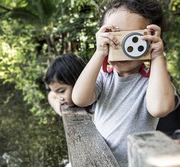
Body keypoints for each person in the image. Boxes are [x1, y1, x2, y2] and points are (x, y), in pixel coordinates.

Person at [71, 0, 180, 166]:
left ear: (150, 40)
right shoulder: (104, 76)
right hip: (100, 161)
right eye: (115, 36)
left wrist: (157, 56)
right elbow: (80, 98)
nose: (124, 45)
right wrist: (100, 52)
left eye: (133, 37)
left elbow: (160, 108)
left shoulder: (153, 82)